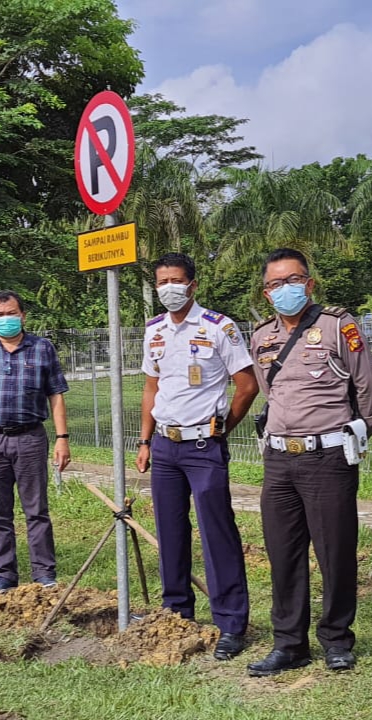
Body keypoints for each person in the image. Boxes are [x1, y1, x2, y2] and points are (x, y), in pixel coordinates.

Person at [245, 248, 372, 677]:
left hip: (328, 457)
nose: (284, 289)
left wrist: (355, 436)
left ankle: (337, 640)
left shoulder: (339, 325)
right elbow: (272, 391)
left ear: (309, 283)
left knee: (335, 551)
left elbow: (368, 388)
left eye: (293, 280)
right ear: (266, 293)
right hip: (279, 459)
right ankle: (289, 645)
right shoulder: (262, 336)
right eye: (275, 284)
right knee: (283, 553)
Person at [134, 253, 259, 661]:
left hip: (204, 446)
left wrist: (225, 426)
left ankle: (231, 623)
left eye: (176, 280)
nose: (169, 288)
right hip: (165, 447)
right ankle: (177, 614)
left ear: (193, 285)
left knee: (216, 533)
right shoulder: (153, 330)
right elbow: (152, 389)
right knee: (170, 534)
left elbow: (246, 384)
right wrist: (145, 441)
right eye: (162, 281)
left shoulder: (218, 327)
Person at [0, 291, 70, 597]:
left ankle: (44, 574)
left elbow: (56, 395)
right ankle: (4, 574)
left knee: (37, 511)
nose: (6, 319)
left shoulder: (42, 348)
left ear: (23, 315)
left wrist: (62, 439)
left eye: (11, 313)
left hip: (31, 438)